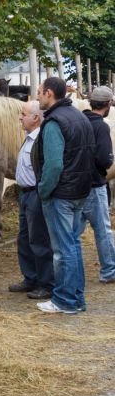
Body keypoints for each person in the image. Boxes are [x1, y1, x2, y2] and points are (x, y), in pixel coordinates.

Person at [32, 77, 95, 314]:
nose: (37, 97)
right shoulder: (79, 116)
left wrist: (44, 190)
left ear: (49, 93)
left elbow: (54, 165)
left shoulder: (54, 122)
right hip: (79, 191)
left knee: (61, 250)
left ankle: (64, 300)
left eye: (39, 93)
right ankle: (76, 298)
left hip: (61, 194)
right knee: (73, 246)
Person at [9, 101, 54, 299]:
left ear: (36, 118)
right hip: (25, 194)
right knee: (25, 238)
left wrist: (41, 191)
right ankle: (31, 278)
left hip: (35, 193)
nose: (20, 117)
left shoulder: (40, 141)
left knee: (39, 239)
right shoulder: (29, 138)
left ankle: (46, 283)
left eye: (24, 114)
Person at [78, 86, 115, 284]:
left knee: (73, 234)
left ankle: (74, 273)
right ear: (108, 104)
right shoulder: (101, 126)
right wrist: (108, 164)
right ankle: (109, 271)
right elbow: (104, 158)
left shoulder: (79, 121)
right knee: (103, 231)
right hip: (95, 185)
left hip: (76, 187)